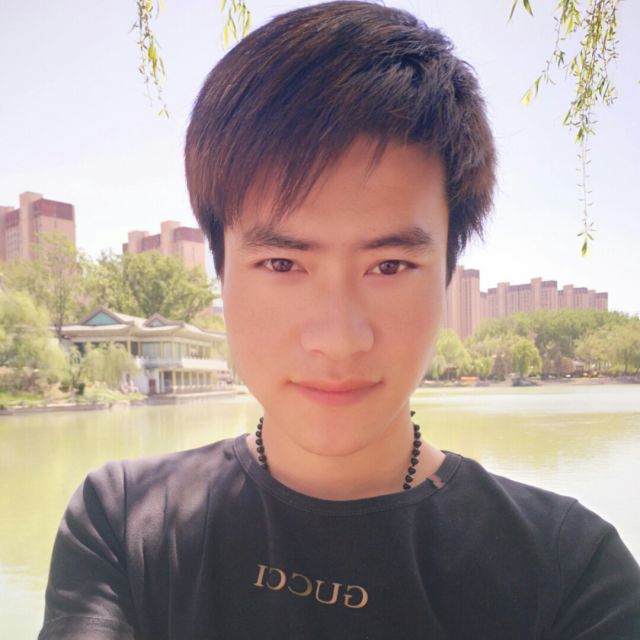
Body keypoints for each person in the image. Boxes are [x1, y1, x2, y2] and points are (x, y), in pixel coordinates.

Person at [39, 2, 640, 638]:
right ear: (222, 273)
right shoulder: (125, 524)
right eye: (281, 263)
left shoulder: (568, 573)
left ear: (446, 274)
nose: (338, 339)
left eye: (389, 266)